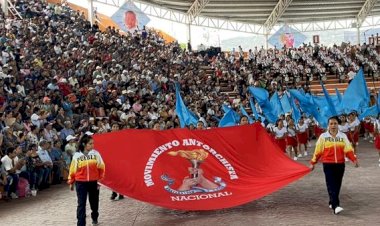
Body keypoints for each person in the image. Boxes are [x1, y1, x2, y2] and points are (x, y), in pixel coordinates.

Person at [309, 116, 359, 215]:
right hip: (328, 164)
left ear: (338, 125)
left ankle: (332, 201)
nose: (333, 125)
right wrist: (313, 163)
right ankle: (336, 206)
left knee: (337, 185)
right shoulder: (323, 137)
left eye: (335, 123)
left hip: (340, 164)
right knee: (331, 184)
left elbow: (348, 149)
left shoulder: (343, 136)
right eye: (331, 124)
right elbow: (318, 151)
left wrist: (354, 159)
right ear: (328, 125)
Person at [68, 135, 105, 226]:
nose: (93, 145)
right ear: (84, 144)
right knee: (81, 204)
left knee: (94, 202)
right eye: (90, 143)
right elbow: (73, 169)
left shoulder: (96, 154)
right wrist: (71, 182)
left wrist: (100, 180)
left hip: (93, 182)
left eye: (93, 143)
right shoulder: (77, 155)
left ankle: (95, 217)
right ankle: (81, 224)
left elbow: (101, 167)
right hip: (81, 183)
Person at [109, 123, 124, 201]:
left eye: (117, 126)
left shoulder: (121, 136)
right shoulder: (107, 137)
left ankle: (121, 192)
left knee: (120, 177)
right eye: (114, 126)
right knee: (113, 177)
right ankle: (114, 192)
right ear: (111, 128)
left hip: (120, 159)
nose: (115, 128)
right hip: (111, 160)